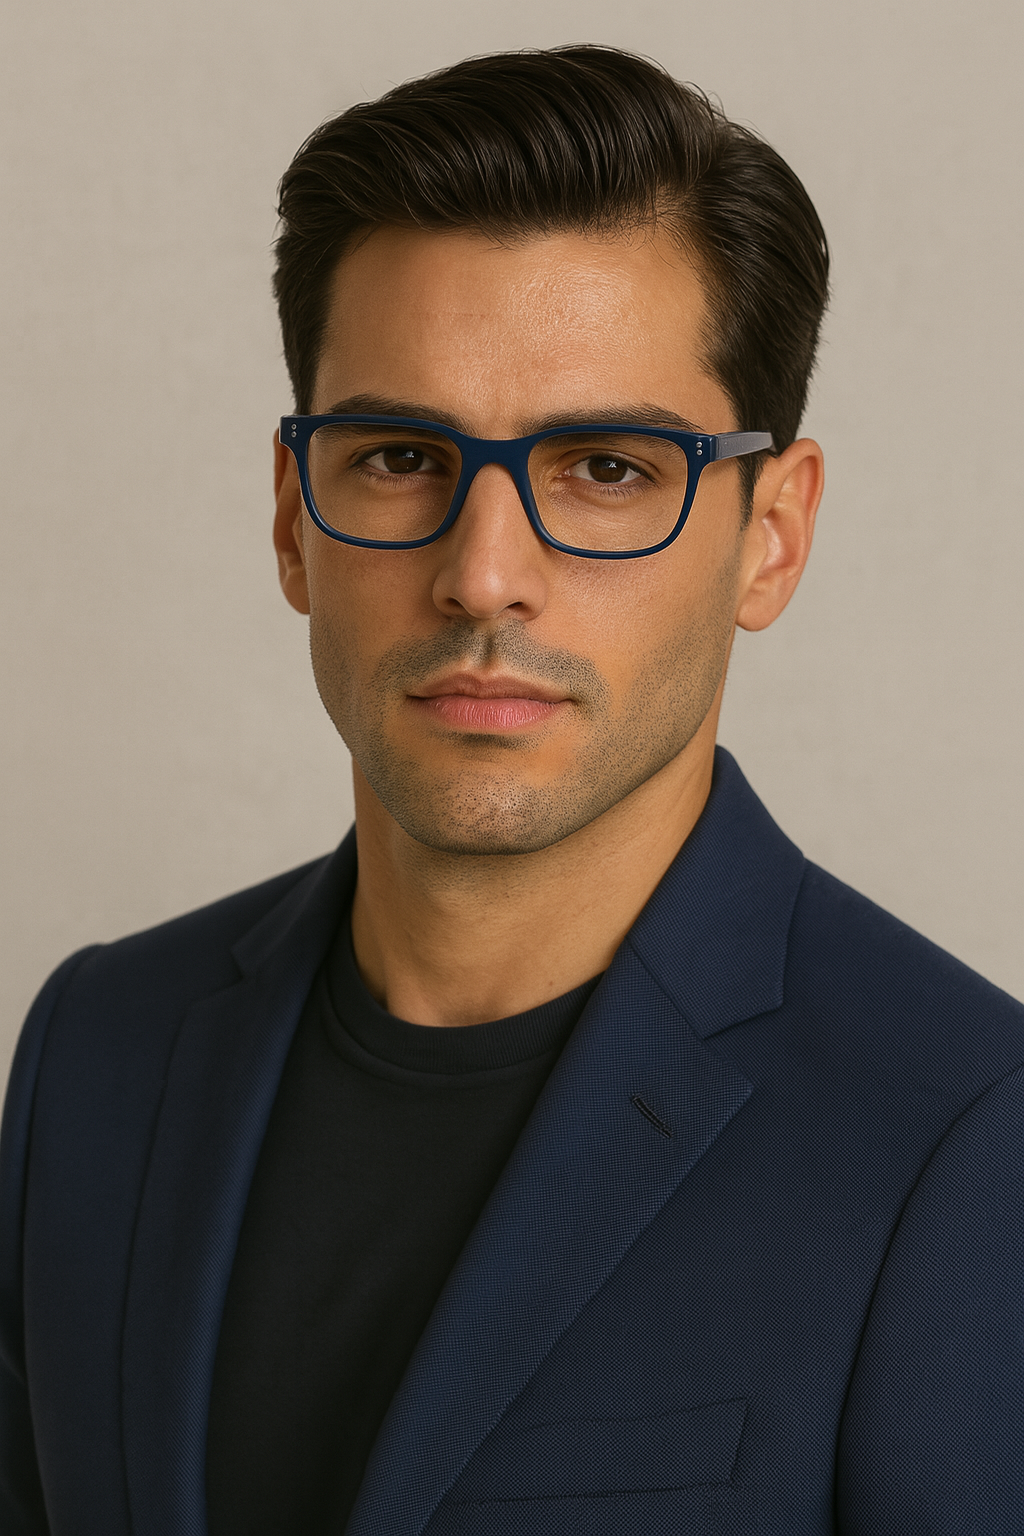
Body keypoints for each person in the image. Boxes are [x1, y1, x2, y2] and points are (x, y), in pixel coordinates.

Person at [2, 43, 1022, 1536]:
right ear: (292, 518)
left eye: (606, 468)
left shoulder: (967, 1132)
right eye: (399, 456)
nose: (483, 574)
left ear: (773, 536)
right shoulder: (98, 1047)